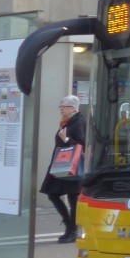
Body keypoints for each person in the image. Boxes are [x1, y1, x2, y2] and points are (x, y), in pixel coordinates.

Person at [39, 95, 86, 243]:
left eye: (63, 106)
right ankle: (70, 227)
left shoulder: (79, 122)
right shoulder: (66, 122)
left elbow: (82, 144)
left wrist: (66, 139)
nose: (61, 109)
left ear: (72, 108)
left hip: (71, 165)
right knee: (53, 194)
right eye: (60, 106)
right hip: (61, 163)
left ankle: (72, 231)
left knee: (73, 198)